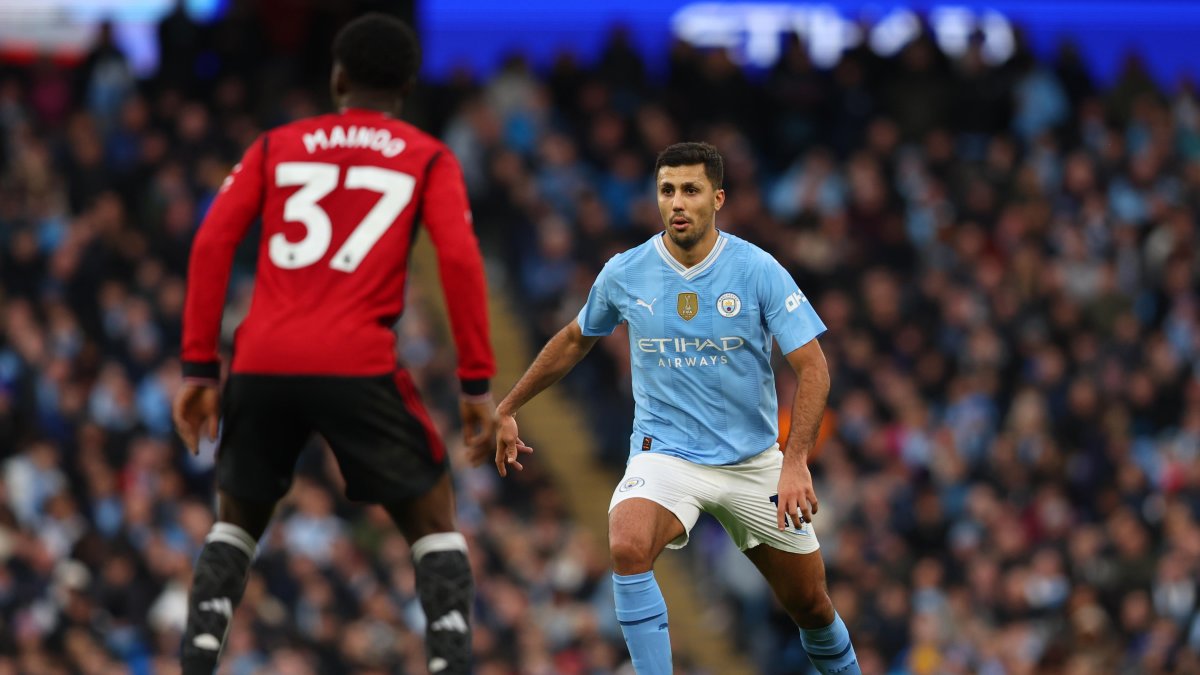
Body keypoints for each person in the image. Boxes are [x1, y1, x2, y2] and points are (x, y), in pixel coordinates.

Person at [172, 14, 496, 675]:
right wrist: (474, 384)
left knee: (238, 514)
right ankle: (450, 661)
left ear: (337, 78)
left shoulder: (275, 145)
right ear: (407, 85)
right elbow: (460, 260)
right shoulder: (427, 156)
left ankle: (199, 652)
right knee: (433, 512)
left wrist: (201, 367)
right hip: (357, 359)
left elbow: (210, 242)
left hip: (262, 358)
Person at [495, 142, 860, 675]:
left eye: (690, 190)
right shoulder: (626, 272)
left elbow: (814, 368)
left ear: (718, 198)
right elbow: (576, 338)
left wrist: (796, 461)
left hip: (752, 460)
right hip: (664, 455)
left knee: (810, 605)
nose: (677, 202)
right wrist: (509, 405)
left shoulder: (757, 270)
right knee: (626, 541)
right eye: (667, 191)